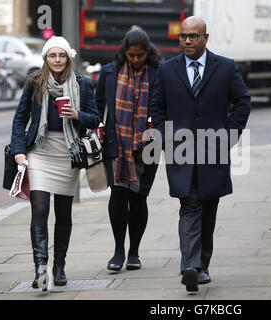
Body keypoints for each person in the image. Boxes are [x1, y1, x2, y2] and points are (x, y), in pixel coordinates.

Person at [150, 16, 251, 292]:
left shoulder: (226, 68)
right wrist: (164, 138)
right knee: (189, 205)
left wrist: (230, 134)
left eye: (193, 36)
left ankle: (202, 265)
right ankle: (190, 267)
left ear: (205, 38)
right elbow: (156, 107)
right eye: (183, 36)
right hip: (180, 152)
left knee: (208, 208)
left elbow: (242, 102)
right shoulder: (167, 69)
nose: (187, 41)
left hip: (214, 151)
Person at [10, 36, 101, 290]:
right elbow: (20, 119)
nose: (58, 60)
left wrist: (77, 115)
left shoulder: (82, 85)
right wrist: (19, 151)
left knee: (63, 212)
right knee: (39, 209)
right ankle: (41, 268)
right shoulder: (35, 83)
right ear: (46, 59)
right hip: (40, 149)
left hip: (68, 152)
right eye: (53, 56)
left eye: (62, 56)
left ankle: (59, 265)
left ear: (68, 58)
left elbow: (95, 119)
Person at [95, 28, 161, 272]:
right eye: (131, 55)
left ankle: (134, 252)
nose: (135, 60)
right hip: (116, 145)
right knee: (118, 196)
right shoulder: (109, 72)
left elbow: (164, 105)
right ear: (124, 52)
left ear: (147, 53)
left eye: (140, 55)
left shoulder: (158, 72)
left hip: (148, 145)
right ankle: (118, 251)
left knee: (139, 197)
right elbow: (99, 104)